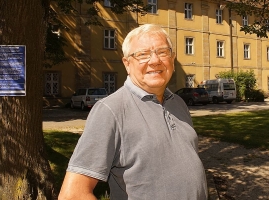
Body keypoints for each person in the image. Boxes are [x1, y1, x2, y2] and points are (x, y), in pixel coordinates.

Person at [58, 24, 208, 200]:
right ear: (127, 64)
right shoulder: (110, 110)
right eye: (143, 54)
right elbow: (73, 195)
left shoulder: (178, 103)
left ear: (172, 59)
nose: (154, 61)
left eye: (162, 52)